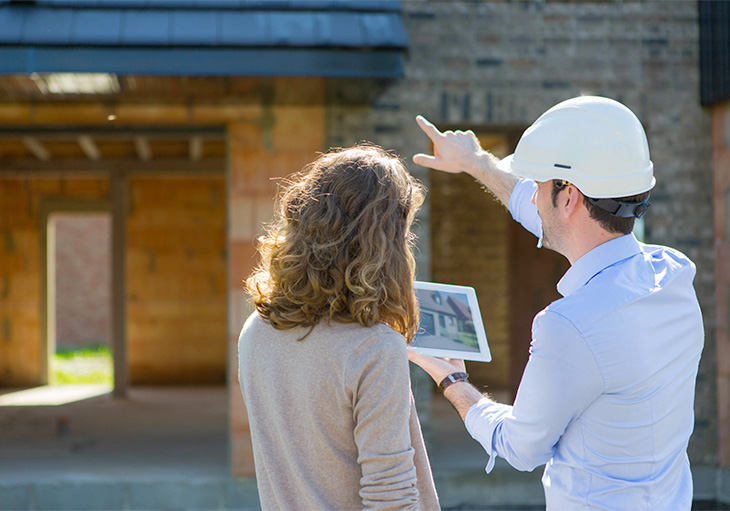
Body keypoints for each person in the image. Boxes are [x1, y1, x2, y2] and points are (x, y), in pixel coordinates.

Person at [408, 96, 704, 510]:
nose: (531, 196)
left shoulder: (571, 325)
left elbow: (519, 446)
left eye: (541, 185)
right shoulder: (674, 274)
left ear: (570, 199)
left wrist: (453, 381)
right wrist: (476, 162)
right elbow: (544, 214)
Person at [238, 143, 440, 511]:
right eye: (404, 232)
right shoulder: (374, 349)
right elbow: (391, 499)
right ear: (384, 243)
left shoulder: (255, 331)